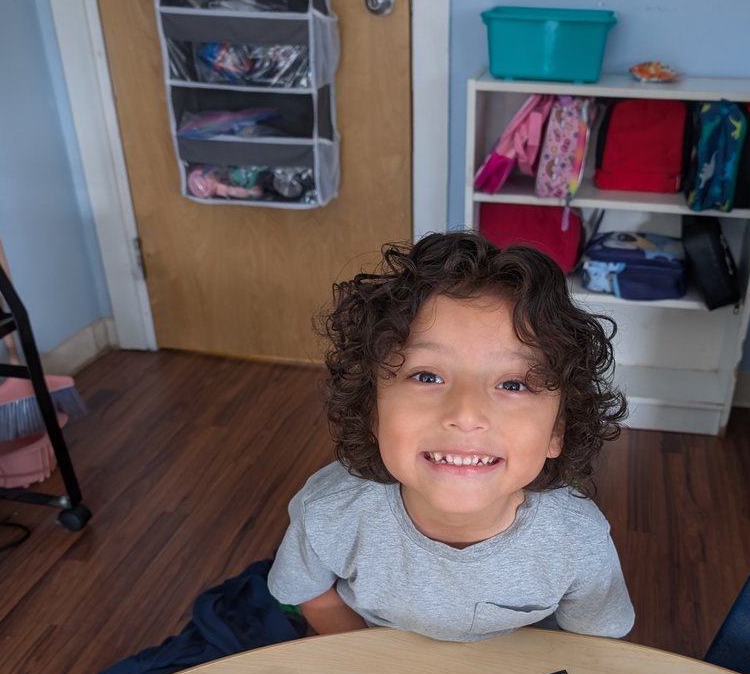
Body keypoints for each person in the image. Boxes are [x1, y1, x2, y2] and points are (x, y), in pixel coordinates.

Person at [267, 231, 634, 642]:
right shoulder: (329, 513)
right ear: (372, 412)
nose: (466, 414)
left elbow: (594, 644)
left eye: (513, 384)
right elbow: (312, 593)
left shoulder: (577, 539)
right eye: (427, 375)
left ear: (557, 431)